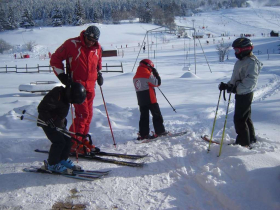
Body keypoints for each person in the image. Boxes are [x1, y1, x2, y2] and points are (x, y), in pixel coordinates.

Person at [50, 26, 103, 155]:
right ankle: (73, 143)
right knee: (82, 115)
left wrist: (99, 74)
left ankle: (82, 140)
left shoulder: (97, 47)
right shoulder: (72, 44)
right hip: (76, 87)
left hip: (91, 86)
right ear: (85, 35)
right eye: (89, 39)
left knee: (89, 114)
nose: (91, 42)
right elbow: (55, 59)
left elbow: (98, 62)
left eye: (94, 40)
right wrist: (62, 76)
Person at [218, 38, 263, 147]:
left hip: (245, 94)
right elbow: (237, 78)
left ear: (246, 49)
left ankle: (243, 143)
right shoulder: (242, 61)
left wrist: (236, 89)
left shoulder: (251, 63)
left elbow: (250, 81)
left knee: (239, 119)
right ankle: (250, 138)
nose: (236, 53)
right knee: (245, 117)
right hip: (242, 93)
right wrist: (228, 85)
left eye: (237, 50)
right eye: (235, 50)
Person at [37, 82, 87, 173]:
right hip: (47, 122)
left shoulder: (65, 97)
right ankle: (52, 164)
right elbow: (42, 108)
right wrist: (49, 120)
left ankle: (62, 160)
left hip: (58, 123)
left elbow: (61, 113)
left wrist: (62, 124)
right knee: (59, 142)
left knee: (68, 140)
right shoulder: (57, 94)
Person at [133, 59, 168, 140]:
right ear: (149, 66)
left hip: (141, 99)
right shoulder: (147, 74)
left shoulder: (135, 76)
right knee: (156, 115)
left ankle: (143, 134)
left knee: (144, 117)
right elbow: (157, 83)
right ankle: (160, 131)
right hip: (150, 98)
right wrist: (156, 74)